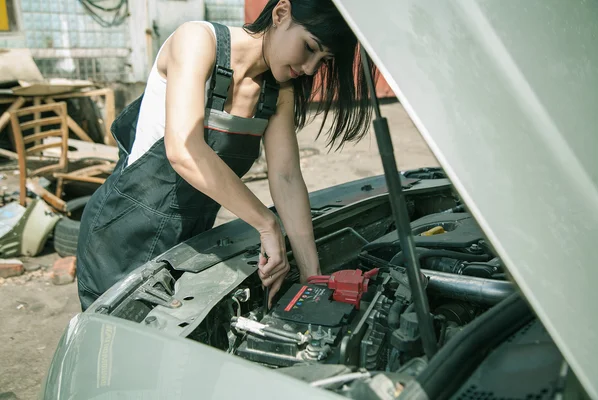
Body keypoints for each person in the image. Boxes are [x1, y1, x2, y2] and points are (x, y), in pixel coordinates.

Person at [75, 0, 374, 311]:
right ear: (281, 13)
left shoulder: (277, 91)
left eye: (322, 61)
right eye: (310, 47)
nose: (310, 68)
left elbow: (286, 176)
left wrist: (313, 277)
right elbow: (184, 150)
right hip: (119, 239)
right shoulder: (197, 41)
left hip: (190, 245)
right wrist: (267, 224)